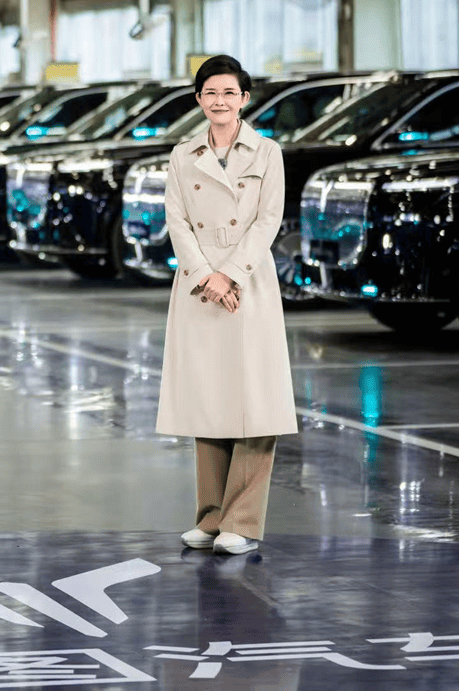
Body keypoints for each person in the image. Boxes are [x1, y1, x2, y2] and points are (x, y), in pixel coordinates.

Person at [156, 54, 298, 556]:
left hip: (248, 280)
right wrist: (205, 276)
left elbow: (269, 219)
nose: (220, 101)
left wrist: (231, 274)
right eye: (211, 92)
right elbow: (177, 220)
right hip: (199, 284)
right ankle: (211, 517)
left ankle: (243, 521)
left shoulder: (267, 151)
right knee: (208, 399)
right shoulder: (183, 154)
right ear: (199, 99)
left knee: (255, 401)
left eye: (229, 93)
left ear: (244, 99)